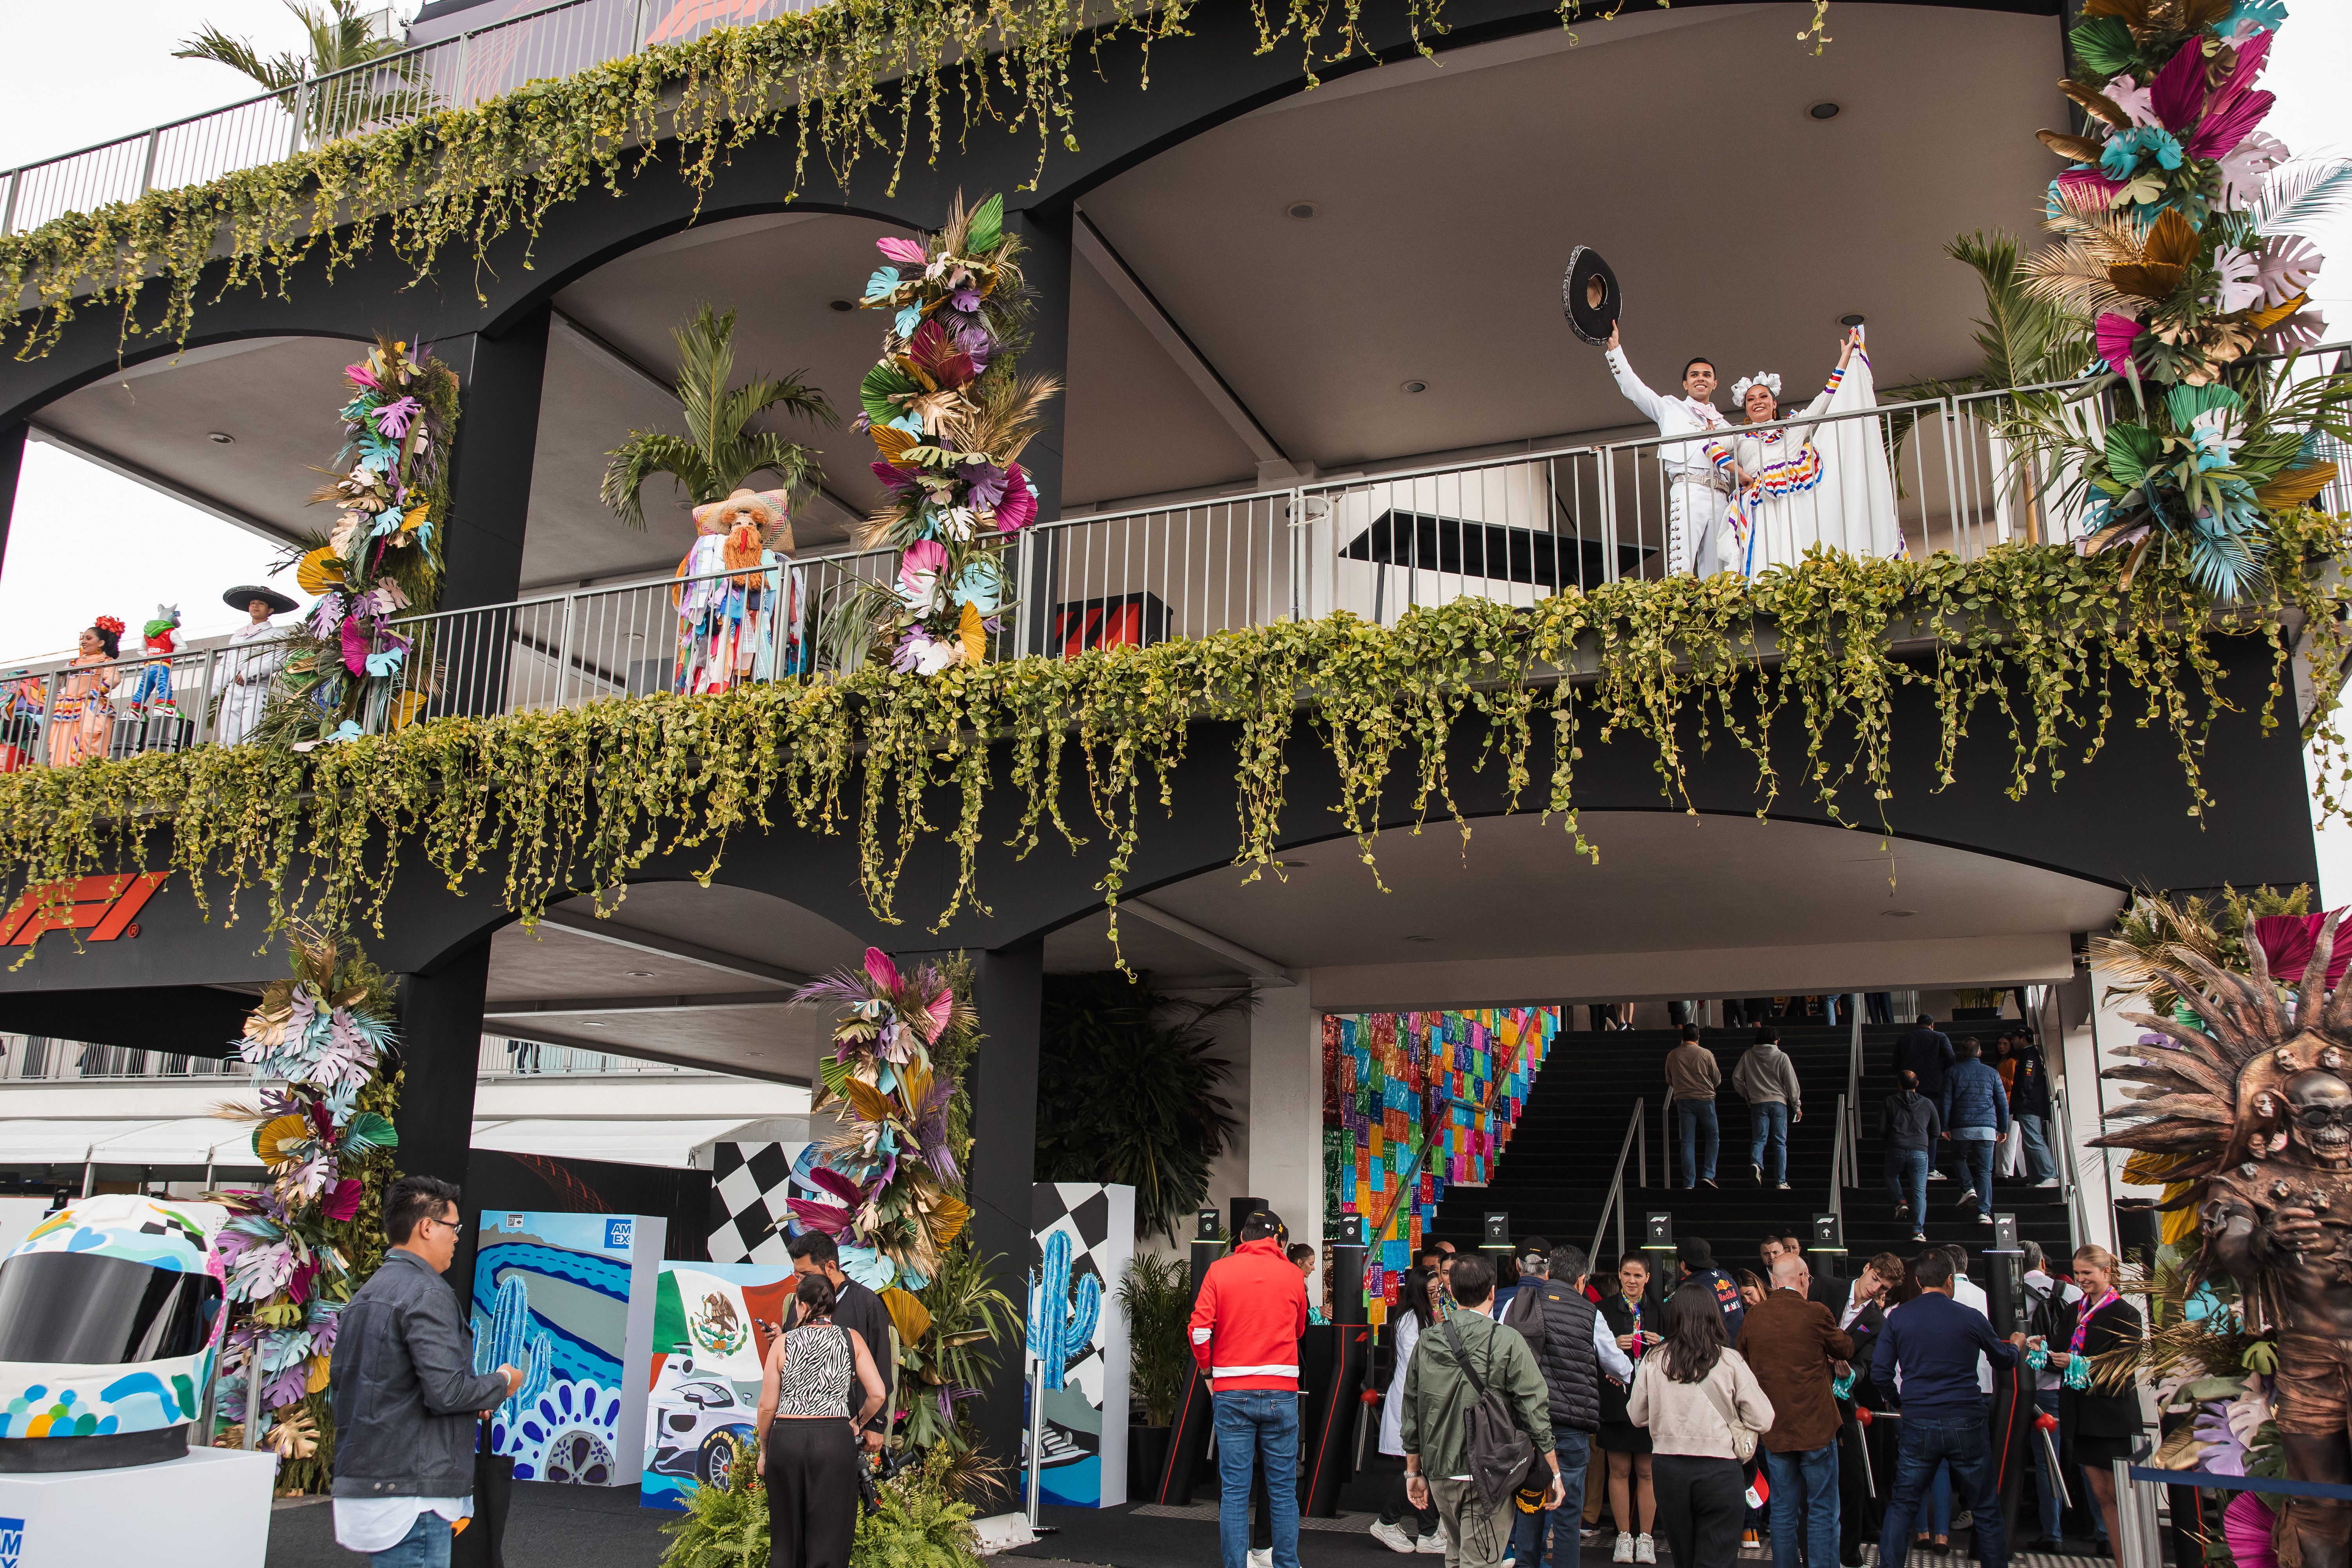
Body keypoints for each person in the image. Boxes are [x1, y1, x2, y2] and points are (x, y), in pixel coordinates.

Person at [330, 1176, 523, 1568]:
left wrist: (474, 1398)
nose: (456, 1238)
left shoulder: (366, 1294)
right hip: (413, 1493)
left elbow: (378, 1388)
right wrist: (502, 1383)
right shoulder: (427, 1293)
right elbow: (447, 1393)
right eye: (454, 1227)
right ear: (427, 1226)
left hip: (371, 1482)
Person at [1401, 1253, 1567, 1568]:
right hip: (1488, 1470)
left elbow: (1412, 1409)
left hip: (1440, 1470)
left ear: (1451, 1292)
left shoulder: (1428, 1340)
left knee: (1456, 1555)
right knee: (1481, 1561)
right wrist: (1554, 1471)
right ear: (1493, 1291)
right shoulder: (1507, 1340)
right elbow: (1535, 1409)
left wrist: (1413, 1470)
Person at [1870, 1249, 2024, 1568]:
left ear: (1917, 1281)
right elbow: (2003, 1360)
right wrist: (2018, 1346)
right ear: (1950, 1281)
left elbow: (1880, 1373)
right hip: (1966, 1418)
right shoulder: (1970, 1317)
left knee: (1903, 1504)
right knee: (1985, 1507)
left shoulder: (1898, 1317)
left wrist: (1899, 1403)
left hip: (1918, 1419)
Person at [1705, 326, 1898, 576]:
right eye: (1751, 400)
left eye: (1763, 397)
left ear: (1774, 404)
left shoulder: (1793, 426)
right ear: (1746, 409)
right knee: (1764, 546)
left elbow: (1826, 397)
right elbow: (1710, 446)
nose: (1757, 402)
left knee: (1796, 542)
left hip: (1793, 495)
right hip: (1759, 498)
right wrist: (1740, 472)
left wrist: (1845, 357)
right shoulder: (1740, 434)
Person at [1191, 1209, 1312, 1568]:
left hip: (1231, 1392)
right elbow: (1300, 1329)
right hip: (1281, 1393)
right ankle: (1286, 1565)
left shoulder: (1219, 1270)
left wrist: (1209, 1373)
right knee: (1283, 1492)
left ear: (1242, 1238)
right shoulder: (1293, 1275)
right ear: (1276, 1240)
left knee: (1234, 1494)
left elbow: (1199, 1331)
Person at [1628, 1283, 1776, 1568]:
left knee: (1684, 1558)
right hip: (1719, 1471)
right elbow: (1764, 1419)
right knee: (1717, 1558)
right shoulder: (1729, 1360)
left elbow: (1636, 1415)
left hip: (1668, 1470)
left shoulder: (1655, 1358)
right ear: (1713, 1316)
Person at [1509, 1244, 1635, 1568]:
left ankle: (1527, 1564)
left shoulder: (1519, 1304)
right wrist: (1614, 1373)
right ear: (1582, 1281)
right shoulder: (1591, 1313)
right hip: (1572, 1427)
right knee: (1568, 1513)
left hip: (1528, 1425)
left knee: (1529, 1503)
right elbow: (1621, 1367)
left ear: (1548, 1274)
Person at [756, 1270, 890, 1568]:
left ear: (802, 1306)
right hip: (833, 1438)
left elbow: (767, 1407)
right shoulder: (850, 1339)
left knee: (786, 1535)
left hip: (787, 1439)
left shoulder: (783, 1343)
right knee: (830, 1536)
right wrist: (858, 1422)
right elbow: (878, 1393)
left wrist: (765, 1451)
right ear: (831, 1306)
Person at [1739, 1254, 1857, 1568]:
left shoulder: (1754, 1316)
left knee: (1782, 1511)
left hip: (1775, 1430)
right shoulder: (1816, 1313)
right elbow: (1845, 1348)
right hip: (1817, 1428)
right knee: (1822, 1510)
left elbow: (1743, 1361)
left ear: (1775, 1282)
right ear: (1804, 1278)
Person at [1601, 325, 1734, 578]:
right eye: (1695, 375)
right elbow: (1634, 389)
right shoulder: (1670, 409)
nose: (1701, 378)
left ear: (1715, 384)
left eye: (1707, 375)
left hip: (1722, 495)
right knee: (1681, 563)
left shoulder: (1726, 425)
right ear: (1686, 384)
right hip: (1689, 487)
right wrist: (1615, 350)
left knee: (1718, 571)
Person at [2033, 1245, 2139, 1553]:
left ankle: (2132, 1558)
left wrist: (2079, 1364)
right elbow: (2057, 1357)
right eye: (2078, 1273)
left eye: (2087, 1273)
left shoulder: (2125, 1313)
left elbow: (2124, 1367)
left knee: (2120, 1496)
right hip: (2081, 1417)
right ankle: (2122, 1559)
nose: (2081, 1280)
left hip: (2112, 1418)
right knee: (2102, 1494)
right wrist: (2038, 1349)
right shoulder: (2073, 1311)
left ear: (2106, 1272)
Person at [2018, 1242, 2099, 1553]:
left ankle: (2052, 1534)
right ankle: (2101, 1531)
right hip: (2072, 1384)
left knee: (2045, 1462)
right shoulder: (2073, 1293)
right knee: (2087, 1460)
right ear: (2042, 1261)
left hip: (2035, 1388)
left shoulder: (2014, 1296)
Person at [784, 1231, 895, 1446]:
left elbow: (882, 1364)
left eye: (806, 1275)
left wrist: (875, 1424)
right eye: (797, 1276)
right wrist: (779, 1339)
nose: (800, 1284)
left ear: (831, 1267)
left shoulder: (866, 1303)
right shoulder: (800, 1302)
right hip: (800, 1425)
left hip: (851, 1426)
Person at [1372, 1270, 1446, 1554]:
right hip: (1412, 1400)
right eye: (1431, 1290)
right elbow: (1425, 1359)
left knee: (1422, 1466)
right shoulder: (1411, 1321)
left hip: (1418, 1399)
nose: (1437, 1294)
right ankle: (1388, 1522)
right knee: (1416, 1467)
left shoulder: (1422, 1318)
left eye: (1438, 1289)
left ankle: (1427, 1531)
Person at [1598, 1254, 1661, 1564]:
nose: (1632, 1281)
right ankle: (1624, 1537)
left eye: (1638, 1275)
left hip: (1651, 1401)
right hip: (1616, 1399)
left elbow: (1678, 1349)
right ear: (1619, 1275)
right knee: (1619, 1469)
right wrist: (1612, 1345)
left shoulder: (1661, 1309)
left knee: (1648, 1471)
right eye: (1627, 1274)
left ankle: (1646, 1539)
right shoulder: (1604, 1309)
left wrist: (1662, 1343)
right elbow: (1590, 1350)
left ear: (1648, 1277)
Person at [216, 585, 296, 746]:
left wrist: (248, 674)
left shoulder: (278, 634)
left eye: (260, 603)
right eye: (253, 603)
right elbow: (226, 664)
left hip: (256, 688)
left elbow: (277, 660)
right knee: (226, 734)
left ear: (270, 610)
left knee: (251, 734)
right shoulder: (238, 635)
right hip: (233, 689)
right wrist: (213, 690)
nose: (255, 606)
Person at [1943, 1040, 2010, 1225]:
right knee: (1985, 1172)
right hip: (1987, 1129)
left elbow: (1947, 1101)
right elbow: (2002, 1103)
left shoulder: (1952, 1072)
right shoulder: (1992, 1073)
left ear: (1962, 1054)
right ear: (1980, 1053)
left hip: (1961, 1127)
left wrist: (1945, 1126)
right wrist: (2003, 1128)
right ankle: (1984, 1213)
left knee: (1958, 1158)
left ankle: (1968, 1188)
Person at [44, 618, 123, 768]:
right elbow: (59, 682)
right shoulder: (73, 663)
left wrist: (93, 693)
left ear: (101, 643)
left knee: (87, 741)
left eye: (89, 638)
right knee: (61, 744)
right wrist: (60, 695)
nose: (84, 642)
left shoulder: (105, 661)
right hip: (67, 709)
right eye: (83, 639)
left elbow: (114, 679)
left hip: (89, 708)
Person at [1732, 1027, 1804, 1189]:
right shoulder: (1782, 1057)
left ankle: (1756, 1165)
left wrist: (1746, 1095)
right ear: (1775, 1040)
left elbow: (1736, 1078)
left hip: (1758, 1104)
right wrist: (1797, 1106)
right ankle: (1781, 1181)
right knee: (1780, 1143)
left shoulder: (1748, 1055)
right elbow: (1792, 1084)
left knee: (1759, 1140)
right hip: (1779, 1103)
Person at [1881, 1071, 1942, 1241]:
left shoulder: (1890, 1102)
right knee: (1920, 1192)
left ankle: (1900, 1201)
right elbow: (1936, 1131)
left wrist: (1892, 1140)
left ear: (1899, 1084)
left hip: (1896, 1148)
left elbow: (1882, 1129)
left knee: (1891, 1175)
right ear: (1917, 1084)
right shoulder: (1928, 1104)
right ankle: (1917, 1232)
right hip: (1920, 1152)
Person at [1666, 1025, 1723, 1189]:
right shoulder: (1706, 1054)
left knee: (1687, 1142)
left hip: (1683, 1101)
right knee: (1713, 1137)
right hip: (1705, 1099)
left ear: (1682, 1037)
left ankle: (1689, 1183)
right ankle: (1709, 1175)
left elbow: (1669, 1079)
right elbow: (1717, 1079)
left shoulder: (1673, 1055)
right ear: (1698, 1038)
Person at [2003, 1035, 2060, 1187]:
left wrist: (2022, 1098)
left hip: (2029, 1105)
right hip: (2026, 1105)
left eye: (2014, 1038)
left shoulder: (2030, 1055)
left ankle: (2050, 1175)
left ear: (2023, 1039)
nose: (2012, 1042)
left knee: (2034, 1140)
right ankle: (2036, 1178)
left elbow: (2027, 1081)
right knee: (2028, 1143)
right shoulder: (2028, 1055)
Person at [1675, 1238, 1744, 1341]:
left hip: (1716, 1351)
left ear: (1683, 1265)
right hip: (1739, 1347)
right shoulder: (1725, 1276)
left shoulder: (1691, 1289)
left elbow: (1689, 1331)